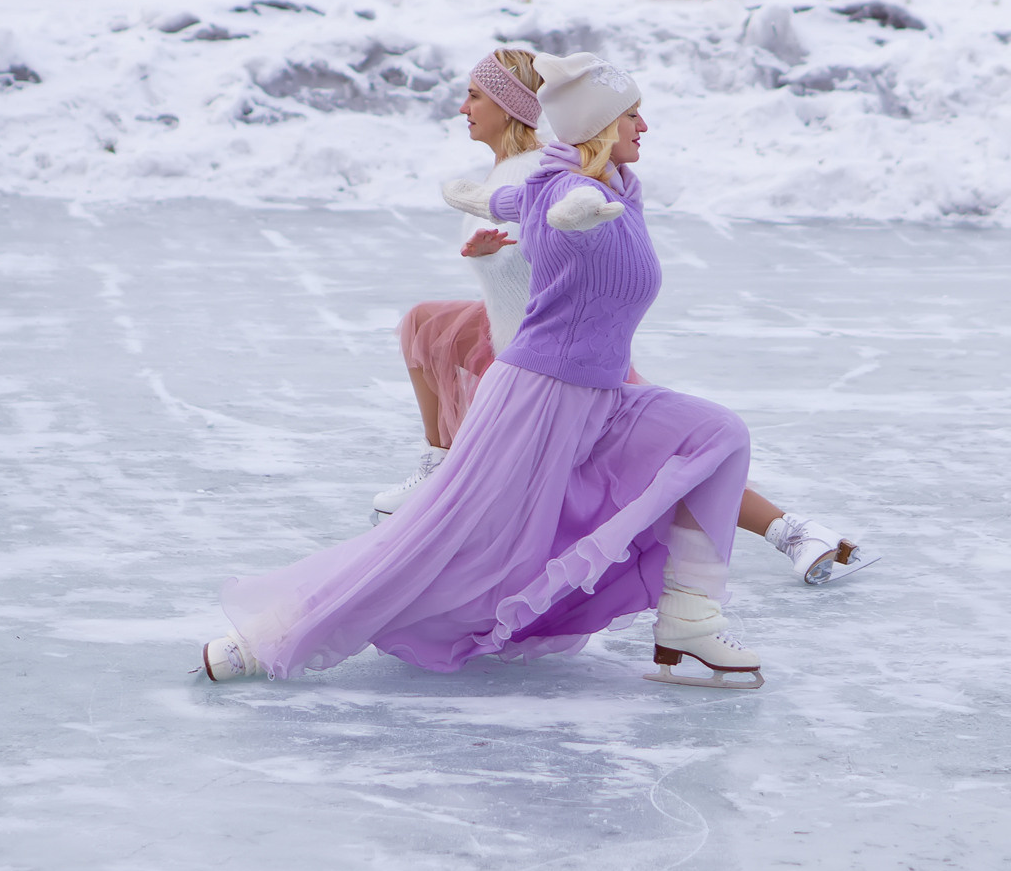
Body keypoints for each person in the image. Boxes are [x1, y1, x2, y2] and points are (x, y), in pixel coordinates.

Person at [201, 54, 767, 689]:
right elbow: (558, 206)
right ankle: (265, 639)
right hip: (537, 400)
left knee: (717, 433)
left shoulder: (613, 189)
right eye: (633, 114)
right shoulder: (573, 192)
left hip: (600, 397)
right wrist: (568, 215)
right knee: (440, 546)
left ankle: (689, 625)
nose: (645, 125)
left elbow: (508, 197)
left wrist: (502, 201)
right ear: (601, 125)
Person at [373, 47, 877, 587]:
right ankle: (440, 474)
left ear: (505, 104)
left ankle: (787, 530)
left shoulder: (543, 173)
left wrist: (502, 254)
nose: (463, 107)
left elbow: (554, 262)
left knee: (661, 462)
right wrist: (490, 250)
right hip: (536, 347)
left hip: (562, 363)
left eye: (474, 95)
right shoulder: (527, 172)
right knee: (424, 324)